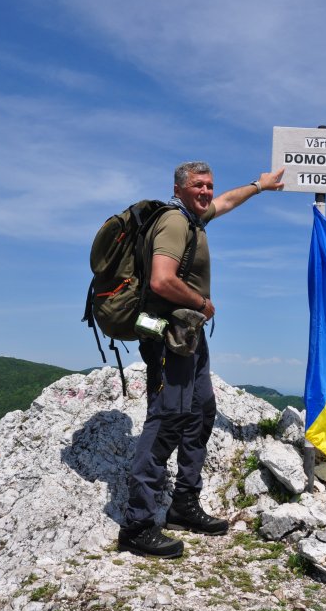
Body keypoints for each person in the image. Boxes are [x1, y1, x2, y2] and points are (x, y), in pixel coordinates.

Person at [117, 161, 285, 558]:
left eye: (209, 184)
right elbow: (161, 279)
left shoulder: (194, 218)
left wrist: (258, 185)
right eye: (198, 185)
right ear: (179, 188)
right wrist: (202, 303)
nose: (207, 191)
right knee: (167, 419)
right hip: (168, 337)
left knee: (200, 411)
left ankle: (184, 504)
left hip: (188, 336)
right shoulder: (174, 223)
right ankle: (137, 526)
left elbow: (224, 203)